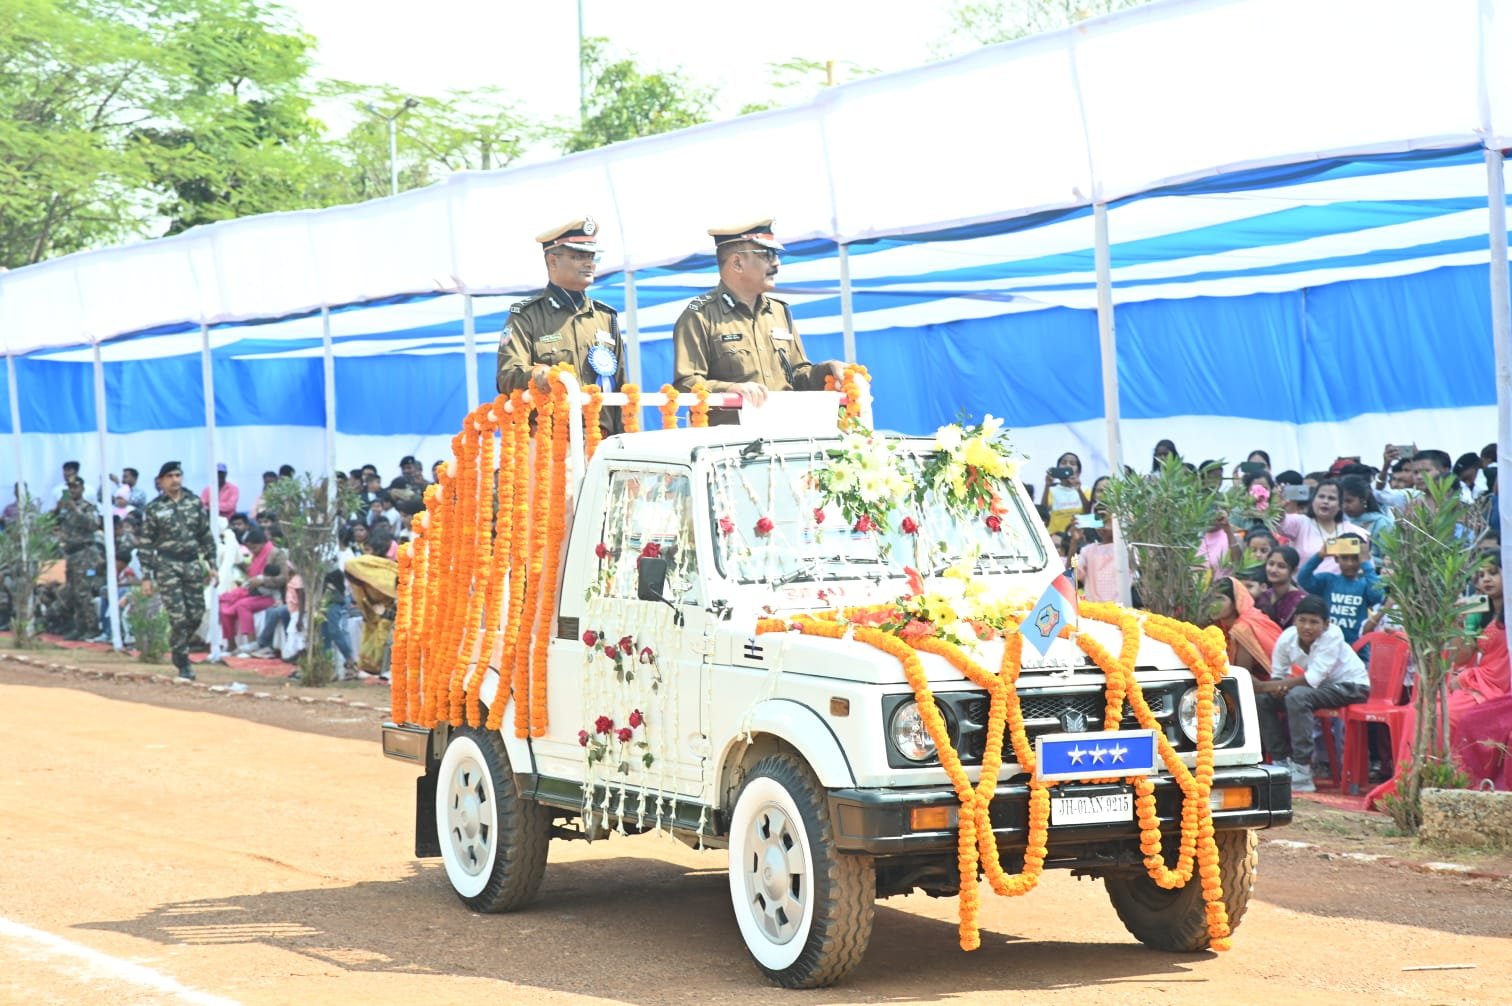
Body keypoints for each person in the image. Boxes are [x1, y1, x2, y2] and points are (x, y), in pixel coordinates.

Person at [672, 218, 842, 424]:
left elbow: (798, 375)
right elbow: (686, 383)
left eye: (776, 255)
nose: (776, 263)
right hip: (731, 447)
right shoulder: (699, 315)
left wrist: (829, 369)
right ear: (737, 263)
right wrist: (731, 390)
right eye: (767, 254)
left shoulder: (780, 312)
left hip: (787, 431)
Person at [497, 217, 625, 433]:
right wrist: (538, 375)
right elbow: (507, 377)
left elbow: (620, 385)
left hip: (602, 442)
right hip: (553, 444)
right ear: (553, 262)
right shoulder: (527, 316)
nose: (589, 263)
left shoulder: (605, 317)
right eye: (578, 256)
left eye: (592, 256)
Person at [1255, 594, 1371, 793]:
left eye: (1314, 622)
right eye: (1302, 620)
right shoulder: (1287, 638)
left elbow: (1311, 680)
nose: (1307, 627)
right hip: (1319, 689)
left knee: (1297, 696)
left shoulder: (1333, 636)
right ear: (1295, 621)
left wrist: (1266, 686)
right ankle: (1281, 762)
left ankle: (1302, 769)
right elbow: (1278, 674)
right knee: (1263, 700)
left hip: (1351, 686)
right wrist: (1274, 689)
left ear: (1326, 624)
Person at [139, 460, 218, 680]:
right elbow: (146, 543)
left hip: (192, 564)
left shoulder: (193, 502)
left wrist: (213, 565)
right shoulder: (155, 508)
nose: (175, 480)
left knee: (196, 613)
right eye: (170, 476)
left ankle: (177, 644)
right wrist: (146, 576)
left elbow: (205, 535)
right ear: (161, 481)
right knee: (178, 617)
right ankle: (183, 662)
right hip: (167, 565)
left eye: (178, 475)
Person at [1297, 532, 1385, 646]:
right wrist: (1319, 556)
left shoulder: (1365, 584)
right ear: (1336, 559)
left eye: (1355, 558)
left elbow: (1377, 595)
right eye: (1344, 557)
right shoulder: (1327, 580)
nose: (1349, 563)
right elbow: (1303, 579)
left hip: (1356, 647)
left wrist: (1365, 562)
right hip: (1326, 645)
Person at [218, 526, 288, 654]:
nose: (252, 551)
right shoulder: (255, 555)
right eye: (249, 548)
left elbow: (284, 577)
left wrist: (262, 581)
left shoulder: (276, 554)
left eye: (254, 548)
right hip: (252, 591)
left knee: (242, 605)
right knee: (224, 604)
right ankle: (231, 643)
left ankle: (252, 643)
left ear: (262, 543)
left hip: (270, 595)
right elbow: (251, 574)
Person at [54, 477, 104, 640]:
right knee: (73, 592)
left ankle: (92, 627)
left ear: (82, 488)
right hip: (71, 555)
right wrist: (60, 508)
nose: (72, 490)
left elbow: (93, 524)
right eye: (69, 487)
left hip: (86, 554)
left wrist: (75, 508)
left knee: (84, 591)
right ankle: (79, 627)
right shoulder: (65, 508)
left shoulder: (87, 507)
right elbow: (56, 522)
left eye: (75, 487)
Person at [1211, 576, 1281, 678]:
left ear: (1236, 601)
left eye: (1220, 599)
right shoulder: (1219, 626)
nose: (1213, 604)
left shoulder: (1242, 628)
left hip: (1271, 684)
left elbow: (1241, 676)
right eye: (1210, 599)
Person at [1255, 546, 1308, 630]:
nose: (1273, 570)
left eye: (1281, 566)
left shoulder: (1300, 601)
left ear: (1294, 571)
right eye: (1271, 564)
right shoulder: (1263, 595)